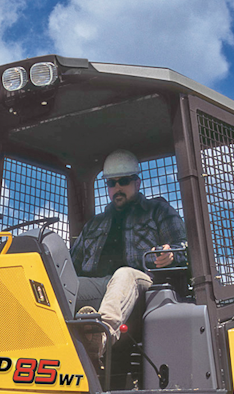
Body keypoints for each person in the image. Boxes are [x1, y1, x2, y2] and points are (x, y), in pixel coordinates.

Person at [70, 149, 185, 349]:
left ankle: (101, 335)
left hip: (143, 283)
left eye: (123, 181)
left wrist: (170, 254)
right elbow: (71, 265)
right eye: (111, 183)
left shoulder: (157, 211)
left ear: (137, 183)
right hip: (100, 285)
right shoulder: (95, 224)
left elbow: (185, 249)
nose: (117, 187)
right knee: (56, 286)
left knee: (124, 274)